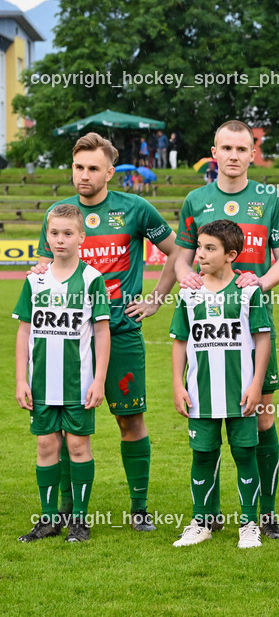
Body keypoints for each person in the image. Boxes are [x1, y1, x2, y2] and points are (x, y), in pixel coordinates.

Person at [33, 132, 179, 532]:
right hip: (68, 338)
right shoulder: (60, 216)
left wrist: (155, 299)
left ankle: (139, 509)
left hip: (121, 330)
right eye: (78, 167)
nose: (84, 175)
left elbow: (178, 251)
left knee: (130, 420)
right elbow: (45, 270)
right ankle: (65, 512)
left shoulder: (136, 209)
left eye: (93, 168)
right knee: (62, 426)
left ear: (110, 172)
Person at [175, 120, 279, 539]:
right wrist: (185, 276)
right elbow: (181, 257)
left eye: (241, 149)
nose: (232, 156)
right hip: (210, 323)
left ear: (251, 154)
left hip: (252, 323)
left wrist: (258, 282)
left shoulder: (269, 199)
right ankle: (207, 516)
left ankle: (266, 515)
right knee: (209, 417)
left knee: (260, 420)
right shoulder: (195, 199)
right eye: (225, 148)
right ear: (214, 152)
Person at [170, 220, 270, 549]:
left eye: (209, 248)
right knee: (202, 456)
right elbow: (180, 341)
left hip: (240, 391)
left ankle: (248, 523)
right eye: (199, 247)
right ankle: (201, 522)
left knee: (245, 454)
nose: (200, 254)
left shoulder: (248, 291)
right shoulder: (189, 292)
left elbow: (262, 338)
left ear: (231, 255)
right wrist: (177, 384)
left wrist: (257, 384)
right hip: (201, 392)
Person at [16, 204, 111, 543]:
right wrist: (20, 379)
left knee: (78, 447)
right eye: (54, 233)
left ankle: (80, 521)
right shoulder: (35, 279)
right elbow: (24, 331)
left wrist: (99, 380)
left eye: (68, 233)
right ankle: (47, 519)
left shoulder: (91, 279)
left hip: (78, 383)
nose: (60, 239)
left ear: (81, 237)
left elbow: (102, 332)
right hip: (41, 384)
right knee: (45, 445)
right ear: (47, 236)